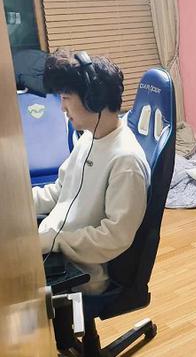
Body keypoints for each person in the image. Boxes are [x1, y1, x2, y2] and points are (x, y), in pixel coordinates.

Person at [35, 49, 150, 296]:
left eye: (66, 98)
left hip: (83, 272)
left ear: (93, 100)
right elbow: (60, 190)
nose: (62, 108)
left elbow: (114, 236)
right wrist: (18, 206)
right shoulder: (88, 137)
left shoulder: (126, 161)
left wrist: (54, 241)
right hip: (54, 248)